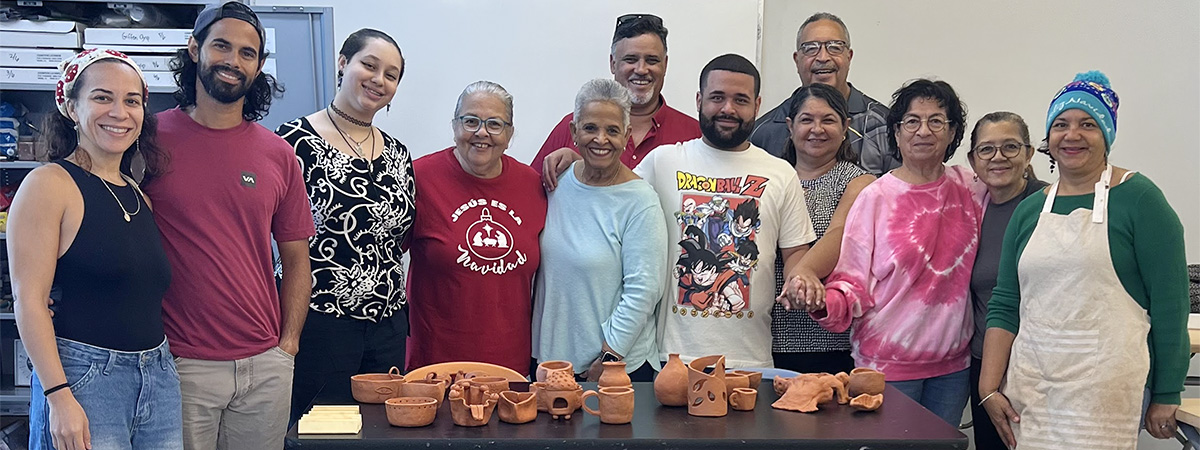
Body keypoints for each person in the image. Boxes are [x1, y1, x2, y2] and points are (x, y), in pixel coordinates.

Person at [980, 71, 1189, 449]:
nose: (1072, 135)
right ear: (1048, 137)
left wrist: (1167, 393)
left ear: (1107, 135)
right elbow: (1006, 303)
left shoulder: (1140, 200)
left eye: (1087, 124)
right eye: (1061, 124)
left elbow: (1170, 306)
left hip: (1104, 395)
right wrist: (988, 388)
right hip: (1033, 392)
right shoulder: (1030, 211)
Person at [144, 2, 315, 448]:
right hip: (180, 363)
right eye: (221, 46)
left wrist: (287, 346)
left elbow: (298, 260)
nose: (233, 61)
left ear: (258, 66)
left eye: (247, 53)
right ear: (194, 49)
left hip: (265, 365)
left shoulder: (277, 154)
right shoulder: (147, 141)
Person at [11, 49, 180, 450]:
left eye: (132, 100)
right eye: (102, 97)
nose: (119, 112)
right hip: (84, 379)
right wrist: (59, 397)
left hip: (158, 376)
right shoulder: (49, 185)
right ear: (71, 107)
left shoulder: (138, 195)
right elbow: (29, 301)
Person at [801, 79, 984, 427]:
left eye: (936, 121)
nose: (923, 131)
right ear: (896, 133)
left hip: (953, 368)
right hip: (885, 367)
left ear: (952, 133)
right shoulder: (876, 197)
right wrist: (822, 302)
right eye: (912, 121)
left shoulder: (971, 188)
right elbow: (851, 280)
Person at [634, 54, 815, 369]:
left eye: (740, 100)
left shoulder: (781, 173)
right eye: (717, 97)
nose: (728, 109)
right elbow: (612, 194)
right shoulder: (662, 162)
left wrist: (800, 281)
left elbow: (796, 252)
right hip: (672, 359)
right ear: (699, 100)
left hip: (751, 360)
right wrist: (574, 159)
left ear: (757, 105)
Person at [275, 29, 414, 422]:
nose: (379, 80)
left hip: (388, 325)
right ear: (343, 63)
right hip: (319, 322)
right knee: (322, 431)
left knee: (384, 432)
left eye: (391, 75)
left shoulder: (399, 153)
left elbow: (399, 237)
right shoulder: (292, 143)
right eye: (369, 65)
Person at [531, 79, 668, 382]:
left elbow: (644, 291)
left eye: (612, 130)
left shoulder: (640, 201)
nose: (600, 139)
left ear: (626, 135)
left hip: (613, 370)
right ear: (573, 132)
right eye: (590, 128)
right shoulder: (556, 181)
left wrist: (609, 357)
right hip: (550, 363)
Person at [407, 81, 547, 376]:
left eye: (495, 124)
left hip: (510, 364)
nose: (482, 132)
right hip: (434, 365)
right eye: (471, 121)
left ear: (509, 134)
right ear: (454, 126)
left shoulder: (534, 185)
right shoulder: (419, 178)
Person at [769, 83, 874, 374]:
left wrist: (801, 276)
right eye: (806, 120)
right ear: (790, 126)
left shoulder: (860, 183)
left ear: (845, 127)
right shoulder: (771, 178)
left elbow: (839, 235)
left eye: (828, 120)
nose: (817, 129)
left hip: (832, 339)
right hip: (764, 338)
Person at [533, 13, 700, 189]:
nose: (641, 69)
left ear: (665, 64)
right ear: (613, 63)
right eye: (631, 59)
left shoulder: (694, 136)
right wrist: (579, 167)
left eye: (652, 60)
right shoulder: (574, 127)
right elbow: (530, 192)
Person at [963, 111, 1046, 450]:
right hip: (986, 368)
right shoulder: (971, 210)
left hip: (1040, 370)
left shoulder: (1050, 206)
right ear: (973, 160)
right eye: (987, 149)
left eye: (1010, 147)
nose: (998, 157)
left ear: (1029, 153)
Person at [750, 12, 895, 175]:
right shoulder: (762, 132)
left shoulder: (884, 125)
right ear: (797, 60)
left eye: (834, 47)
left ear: (849, 57)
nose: (823, 57)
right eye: (811, 48)